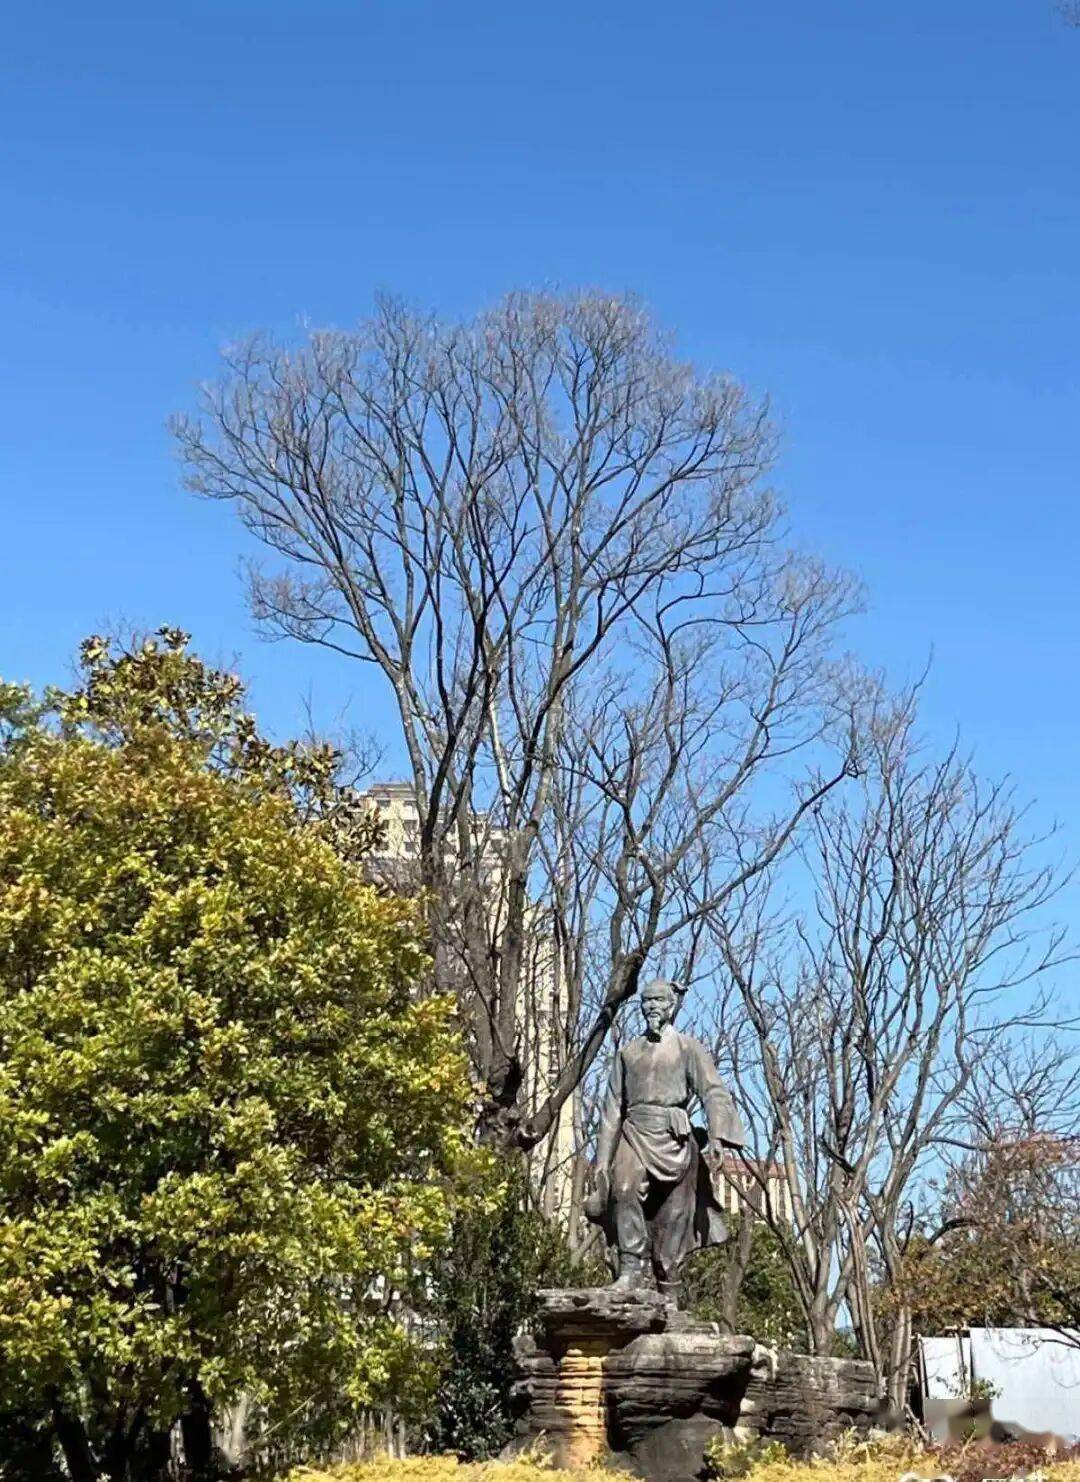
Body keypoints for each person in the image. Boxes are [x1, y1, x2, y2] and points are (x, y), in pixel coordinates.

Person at [587, 978, 746, 1299]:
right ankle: (629, 1270)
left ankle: (669, 1289)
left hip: (675, 1137)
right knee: (624, 1188)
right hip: (634, 1131)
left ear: (671, 1006)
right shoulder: (628, 1053)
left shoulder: (688, 1048)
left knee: (674, 1217)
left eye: (658, 1001)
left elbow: (713, 1091)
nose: (651, 1007)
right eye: (646, 1001)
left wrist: (716, 1137)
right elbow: (611, 1110)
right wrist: (602, 1161)